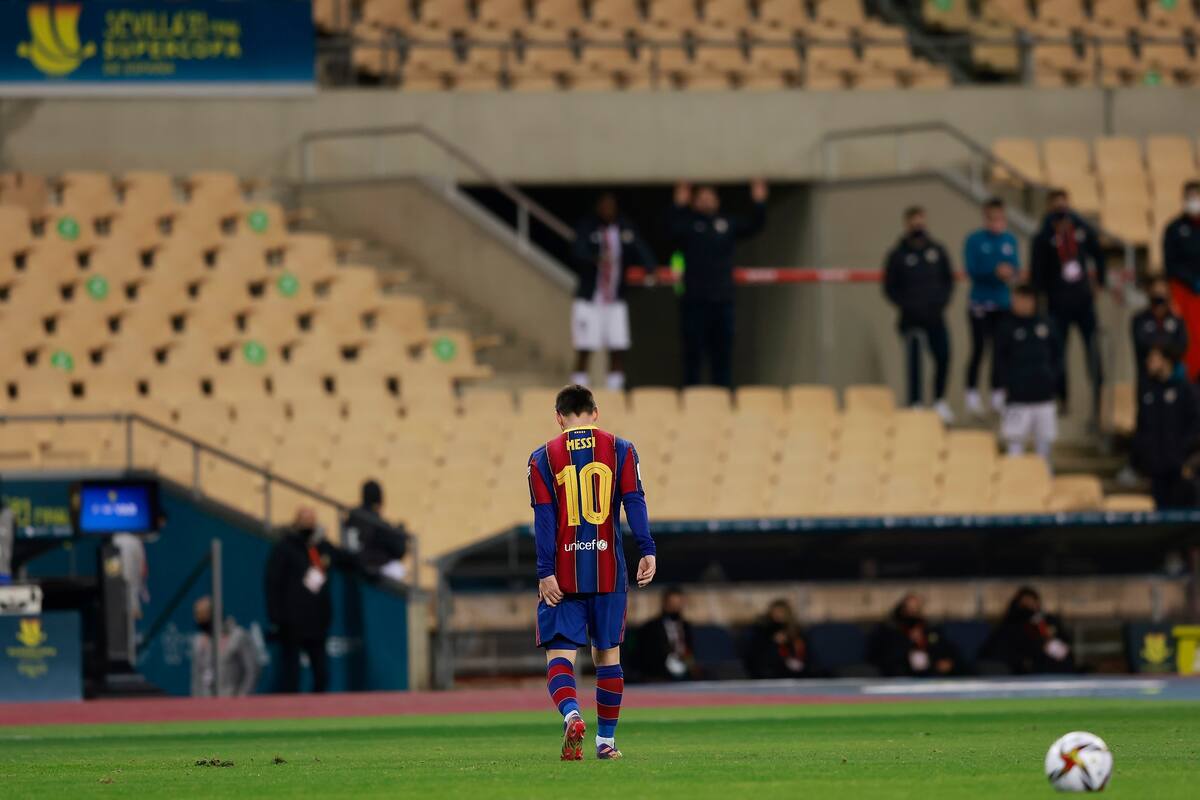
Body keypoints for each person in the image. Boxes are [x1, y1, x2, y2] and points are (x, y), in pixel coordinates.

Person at [527, 384, 657, 761]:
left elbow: (545, 519)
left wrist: (545, 571)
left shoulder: (542, 458)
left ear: (558, 416)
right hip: (608, 571)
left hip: (563, 575)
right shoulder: (621, 449)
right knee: (608, 657)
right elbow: (634, 500)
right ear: (595, 412)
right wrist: (647, 549)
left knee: (560, 658)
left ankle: (571, 714)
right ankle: (607, 742)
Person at [668, 180, 768, 388]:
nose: (706, 201)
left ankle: (722, 399)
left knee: (722, 356)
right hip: (695, 301)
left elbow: (754, 225)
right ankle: (690, 397)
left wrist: (759, 202)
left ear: (717, 200)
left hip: (722, 301)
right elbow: (669, 230)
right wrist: (678, 205)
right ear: (693, 202)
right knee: (692, 356)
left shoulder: (726, 223)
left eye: (709, 196)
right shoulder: (687, 224)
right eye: (701, 197)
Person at [1029, 188, 1105, 419]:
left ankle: (1098, 399)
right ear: (1049, 206)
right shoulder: (1043, 236)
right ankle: (1062, 399)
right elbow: (1037, 272)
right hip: (1057, 304)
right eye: (1056, 204)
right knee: (1058, 354)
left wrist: (1099, 281)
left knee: (1093, 349)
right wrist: (1040, 300)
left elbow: (1099, 253)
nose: (1061, 208)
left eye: (1064, 203)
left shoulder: (1080, 228)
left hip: (1083, 301)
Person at [569, 192, 657, 391]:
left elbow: (641, 249)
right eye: (604, 206)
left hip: (615, 300)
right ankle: (578, 392)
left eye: (611, 206)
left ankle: (614, 390)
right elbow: (577, 251)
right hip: (590, 299)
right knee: (585, 347)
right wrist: (595, 258)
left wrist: (651, 268)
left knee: (618, 346)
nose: (607, 210)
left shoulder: (624, 228)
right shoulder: (587, 227)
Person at [883, 205, 956, 422]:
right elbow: (889, 288)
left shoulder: (938, 251)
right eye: (914, 222)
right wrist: (907, 305)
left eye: (921, 221)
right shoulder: (897, 255)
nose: (918, 226)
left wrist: (939, 303)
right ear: (906, 224)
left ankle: (939, 400)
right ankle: (915, 402)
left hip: (935, 316)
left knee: (943, 356)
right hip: (910, 319)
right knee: (914, 361)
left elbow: (948, 281)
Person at [264, 507, 337, 694]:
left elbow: (339, 558)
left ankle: (319, 714)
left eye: (312, 521)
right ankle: (291, 715)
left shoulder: (320, 547)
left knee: (322, 674)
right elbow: (273, 582)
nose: (309, 525)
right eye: (305, 521)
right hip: (292, 622)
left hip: (317, 622)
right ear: (296, 522)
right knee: (291, 675)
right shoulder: (285, 548)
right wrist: (276, 617)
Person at [963, 197, 1019, 418]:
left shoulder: (1009, 240)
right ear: (986, 218)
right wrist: (995, 271)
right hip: (980, 303)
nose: (997, 222)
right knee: (979, 348)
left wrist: (1010, 273)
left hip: (1002, 303)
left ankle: (998, 394)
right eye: (993, 218)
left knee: (1001, 350)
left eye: (1001, 218)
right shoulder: (974, 240)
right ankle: (972, 394)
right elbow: (972, 269)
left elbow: (1015, 266)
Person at [996, 283, 1062, 463]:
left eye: (1026, 299)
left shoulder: (1047, 324)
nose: (1021, 304)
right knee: (1015, 446)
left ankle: (1044, 482)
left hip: (1044, 396)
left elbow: (1058, 356)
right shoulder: (1006, 327)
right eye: (1017, 299)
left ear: (1033, 301)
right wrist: (1001, 388)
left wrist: (1054, 382)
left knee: (1044, 447)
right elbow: (999, 360)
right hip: (1017, 397)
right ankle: (1013, 485)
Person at [1133, 347, 1200, 509]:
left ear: (1166, 361)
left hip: (1179, 466)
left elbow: (1195, 424)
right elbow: (1142, 426)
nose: (1148, 363)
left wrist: (1183, 453)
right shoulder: (1147, 390)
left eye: (1153, 359)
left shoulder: (1186, 390)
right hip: (1155, 467)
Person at [982, 586, 1075, 674]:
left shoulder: (1047, 620)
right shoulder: (1011, 625)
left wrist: (1050, 641)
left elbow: (1063, 647)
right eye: (1025, 604)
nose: (1029, 607)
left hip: (1052, 667)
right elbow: (1012, 651)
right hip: (1019, 670)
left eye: (1033, 603)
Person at [867, 593, 959, 678]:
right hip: (899, 675)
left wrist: (945, 661)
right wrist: (908, 641)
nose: (913, 612)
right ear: (902, 609)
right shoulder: (889, 630)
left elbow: (944, 649)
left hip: (929, 674)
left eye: (916, 608)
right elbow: (881, 657)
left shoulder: (928, 629)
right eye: (909, 608)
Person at [1163, 180, 1200, 381]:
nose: (1194, 201)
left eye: (1197, 196)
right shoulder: (1174, 229)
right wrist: (1190, 280)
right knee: (1187, 339)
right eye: (1190, 197)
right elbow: (1170, 264)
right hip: (1184, 292)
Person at [190, 595, 262, 697]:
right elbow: (196, 677)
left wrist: (242, 696)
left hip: (231, 701)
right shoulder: (198, 641)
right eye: (200, 620)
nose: (203, 625)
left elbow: (252, 670)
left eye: (205, 620)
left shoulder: (237, 636)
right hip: (205, 704)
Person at [343, 479, 409, 583]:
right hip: (370, 568)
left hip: (355, 565)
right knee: (398, 569)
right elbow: (399, 550)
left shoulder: (352, 517)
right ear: (379, 499)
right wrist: (400, 533)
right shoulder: (375, 522)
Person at [1130, 277, 1188, 390]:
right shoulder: (1139, 319)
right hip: (1147, 381)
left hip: (1173, 380)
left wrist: (1162, 356)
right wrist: (1166, 346)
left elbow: (1182, 345)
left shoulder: (1176, 320)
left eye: (1162, 299)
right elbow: (1142, 341)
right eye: (1155, 299)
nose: (1159, 304)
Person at [635, 586, 697, 682]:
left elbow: (690, 650)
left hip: (685, 671)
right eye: (672, 604)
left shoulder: (686, 626)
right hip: (659, 673)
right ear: (664, 603)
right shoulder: (651, 627)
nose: (675, 607)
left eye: (678, 604)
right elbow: (644, 654)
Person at [745, 598, 811, 679]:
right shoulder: (763, 630)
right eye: (775, 612)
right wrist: (773, 643)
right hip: (771, 673)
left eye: (781, 612)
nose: (778, 615)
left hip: (795, 673)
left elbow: (804, 652)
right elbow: (758, 656)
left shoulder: (796, 631)